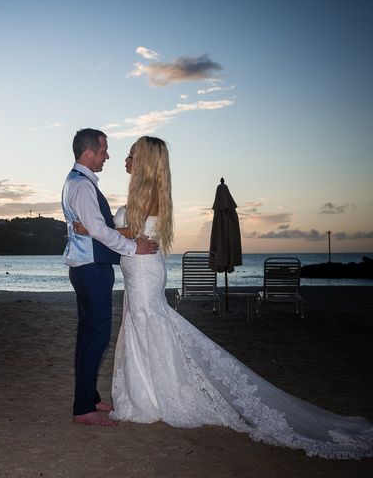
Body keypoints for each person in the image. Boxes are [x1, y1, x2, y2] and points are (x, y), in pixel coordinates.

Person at [77, 135, 371, 458]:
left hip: (145, 273)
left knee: (151, 326)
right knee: (138, 327)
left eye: (132, 154)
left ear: (145, 160)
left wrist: (88, 228)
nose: (126, 159)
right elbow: (129, 233)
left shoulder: (149, 192)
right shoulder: (140, 191)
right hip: (136, 271)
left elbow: (131, 233)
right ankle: (145, 395)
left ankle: (162, 397)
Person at [61, 128, 158, 427]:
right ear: (89, 152)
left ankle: (88, 398)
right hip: (91, 269)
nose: (108, 156)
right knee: (97, 336)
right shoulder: (83, 186)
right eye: (104, 151)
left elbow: (93, 228)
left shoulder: (76, 181)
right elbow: (100, 230)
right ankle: (83, 409)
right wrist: (132, 247)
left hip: (87, 267)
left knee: (87, 335)